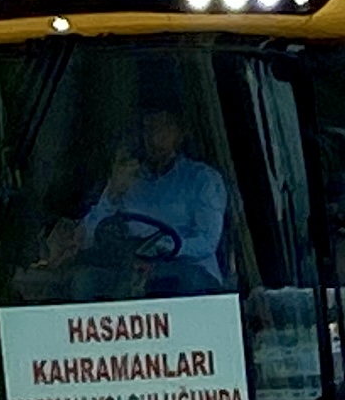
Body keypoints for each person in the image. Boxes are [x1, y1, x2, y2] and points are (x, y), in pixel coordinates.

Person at [25, 107, 231, 298]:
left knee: (183, 280)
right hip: (131, 273)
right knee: (84, 282)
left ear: (180, 132)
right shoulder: (130, 180)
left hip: (187, 274)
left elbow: (207, 241)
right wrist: (113, 192)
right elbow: (86, 237)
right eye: (148, 127)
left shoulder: (203, 179)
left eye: (163, 128)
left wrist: (161, 248)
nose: (154, 137)